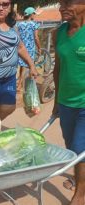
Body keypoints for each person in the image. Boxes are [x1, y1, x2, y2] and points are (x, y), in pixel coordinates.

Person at [52, 0, 85, 204]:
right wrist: (56, 100)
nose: (62, 7)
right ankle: (79, 178)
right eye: (61, 2)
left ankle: (80, 196)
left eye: (68, 2)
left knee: (80, 147)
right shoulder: (59, 33)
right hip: (65, 103)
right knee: (71, 147)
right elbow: (57, 69)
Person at [16, 7, 41, 92]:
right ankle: (27, 87)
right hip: (30, 49)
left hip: (20, 48)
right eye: (34, 13)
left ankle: (19, 85)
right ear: (31, 15)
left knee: (22, 67)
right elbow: (36, 37)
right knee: (30, 66)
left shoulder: (19, 24)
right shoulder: (34, 24)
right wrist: (39, 48)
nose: (34, 15)